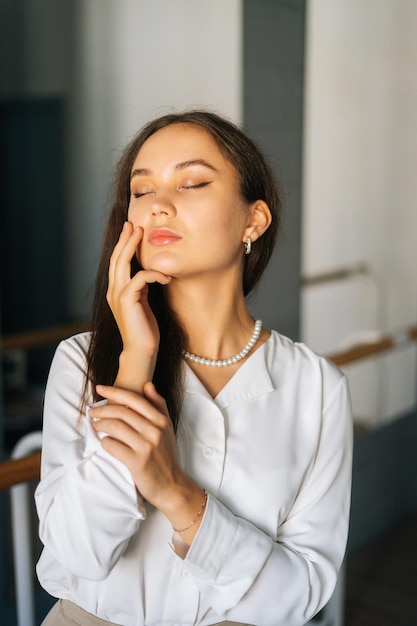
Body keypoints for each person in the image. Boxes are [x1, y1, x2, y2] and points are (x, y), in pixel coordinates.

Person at [35, 110, 353, 626]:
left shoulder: (317, 387)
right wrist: (134, 363)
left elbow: (302, 592)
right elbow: (78, 554)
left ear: (253, 220)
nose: (159, 205)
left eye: (193, 182)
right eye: (141, 192)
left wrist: (178, 496)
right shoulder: (82, 361)